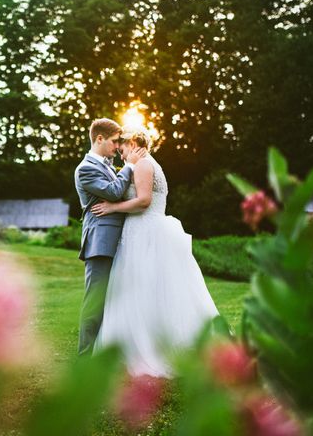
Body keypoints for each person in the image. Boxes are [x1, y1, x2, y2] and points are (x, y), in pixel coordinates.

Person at [91, 126, 219, 377]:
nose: (120, 151)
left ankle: (149, 347)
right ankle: (143, 340)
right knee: (146, 289)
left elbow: (144, 201)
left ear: (135, 143)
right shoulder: (146, 164)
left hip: (145, 231)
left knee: (143, 288)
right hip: (143, 230)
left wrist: (112, 208)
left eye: (123, 145)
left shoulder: (144, 165)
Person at [74, 118, 146, 355]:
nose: (117, 147)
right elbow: (114, 192)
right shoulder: (85, 169)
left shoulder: (107, 165)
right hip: (101, 243)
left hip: (121, 240)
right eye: (115, 142)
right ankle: (84, 360)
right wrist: (131, 166)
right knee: (95, 302)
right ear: (100, 139)